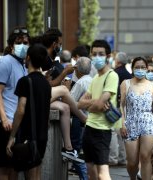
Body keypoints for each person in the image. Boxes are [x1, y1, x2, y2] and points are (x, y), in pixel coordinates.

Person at [5, 44, 51, 179]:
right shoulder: (46, 83)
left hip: (27, 137)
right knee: (35, 175)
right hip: (42, 137)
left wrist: (12, 136)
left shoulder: (25, 81)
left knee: (15, 172)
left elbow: (20, 110)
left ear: (28, 57)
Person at [41, 28, 86, 161]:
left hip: (47, 97)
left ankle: (68, 148)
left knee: (65, 108)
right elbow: (47, 85)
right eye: (60, 44)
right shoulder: (43, 58)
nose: (60, 47)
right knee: (64, 91)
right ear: (54, 44)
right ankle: (84, 119)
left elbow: (50, 83)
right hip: (39, 96)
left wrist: (64, 78)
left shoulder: (51, 59)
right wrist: (64, 73)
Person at [0, 26, 30, 180]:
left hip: (17, 123)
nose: (23, 45)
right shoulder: (5, 63)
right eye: (19, 42)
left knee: (14, 166)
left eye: (26, 42)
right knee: (4, 166)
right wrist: (4, 119)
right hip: (6, 123)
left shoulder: (22, 64)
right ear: (11, 44)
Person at [78, 39, 119, 180]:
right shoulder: (95, 77)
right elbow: (79, 103)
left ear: (108, 56)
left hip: (102, 130)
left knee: (103, 172)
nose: (97, 57)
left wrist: (94, 103)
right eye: (94, 54)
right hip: (88, 127)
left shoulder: (112, 76)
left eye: (101, 54)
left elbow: (100, 105)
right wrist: (96, 102)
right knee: (91, 171)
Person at [120, 56, 153, 180]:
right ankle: (133, 178)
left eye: (143, 67)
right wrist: (122, 123)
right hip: (131, 121)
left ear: (147, 69)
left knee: (145, 157)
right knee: (132, 162)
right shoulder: (126, 83)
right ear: (132, 69)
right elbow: (121, 105)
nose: (140, 69)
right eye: (137, 67)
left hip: (148, 121)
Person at [68, 57, 93, 180]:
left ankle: (84, 177)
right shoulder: (92, 80)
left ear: (77, 69)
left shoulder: (80, 82)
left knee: (75, 151)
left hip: (80, 121)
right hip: (91, 120)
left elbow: (70, 102)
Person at [109, 52, 132, 166]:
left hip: (116, 105)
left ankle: (113, 158)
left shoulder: (114, 74)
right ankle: (123, 158)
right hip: (127, 106)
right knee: (122, 132)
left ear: (117, 62)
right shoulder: (129, 75)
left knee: (113, 132)